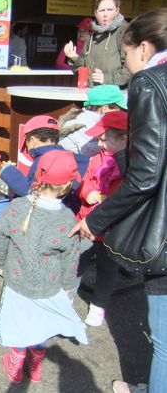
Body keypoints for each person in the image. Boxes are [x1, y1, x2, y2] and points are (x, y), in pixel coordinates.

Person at [69, 8, 167, 393]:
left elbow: (145, 176)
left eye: (126, 56)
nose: (125, 65)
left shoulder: (149, 83)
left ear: (144, 48)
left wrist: (95, 220)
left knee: (162, 338)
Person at [0, 149, 87, 384]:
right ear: (67, 185)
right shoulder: (67, 219)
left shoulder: (16, 208)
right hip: (50, 284)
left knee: (19, 321)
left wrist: (3, 262)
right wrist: (67, 285)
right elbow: (70, 257)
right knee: (43, 324)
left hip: (17, 279)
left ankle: (16, 363)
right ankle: (35, 365)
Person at [76, 111, 128, 327]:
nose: (99, 143)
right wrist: (87, 192)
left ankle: (98, 305)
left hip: (112, 230)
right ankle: (66, 297)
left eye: (103, 139)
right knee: (77, 263)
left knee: (108, 270)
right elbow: (84, 181)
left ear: (123, 139)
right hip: (88, 222)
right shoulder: (96, 159)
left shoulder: (131, 166)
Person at [0, 115, 89, 198]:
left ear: (32, 140)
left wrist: (8, 171)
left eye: (26, 142)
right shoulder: (74, 158)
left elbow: (30, 192)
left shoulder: (43, 161)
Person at [64, 0, 130, 87]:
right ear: (95, 12)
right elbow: (82, 66)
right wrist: (73, 57)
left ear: (117, 10)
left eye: (110, 9)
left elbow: (131, 67)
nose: (105, 14)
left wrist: (107, 79)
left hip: (113, 96)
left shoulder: (123, 32)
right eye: (102, 10)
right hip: (92, 94)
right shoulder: (92, 34)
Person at [59, 84, 127, 156]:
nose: (122, 113)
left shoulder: (87, 116)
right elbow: (90, 152)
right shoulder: (84, 122)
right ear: (105, 108)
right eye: (120, 110)